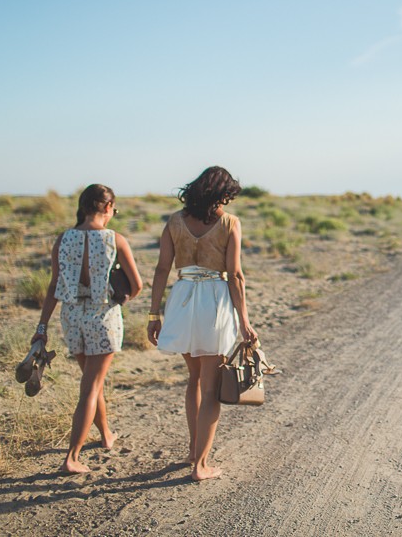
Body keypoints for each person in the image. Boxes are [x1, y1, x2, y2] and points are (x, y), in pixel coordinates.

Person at [147, 166, 258, 481]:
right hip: (213, 299)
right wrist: (244, 321)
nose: (228, 202)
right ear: (219, 194)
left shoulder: (175, 221)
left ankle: (195, 452)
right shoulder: (228, 224)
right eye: (227, 195)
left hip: (182, 296)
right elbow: (235, 275)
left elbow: (161, 269)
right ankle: (200, 466)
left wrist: (154, 314)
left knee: (194, 379)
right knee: (210, 388)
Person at [32, 184, 142, 474]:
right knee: (91, 387)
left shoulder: (63, 239)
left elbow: (54, 285)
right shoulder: (115, 240)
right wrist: (122, 297)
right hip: (102, 316)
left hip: (71, 317)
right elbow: (138, 285)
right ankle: (72, 457)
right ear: (107, 208)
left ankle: (106, 435)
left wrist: (41, 326)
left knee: (92, 381)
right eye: (113, 210)